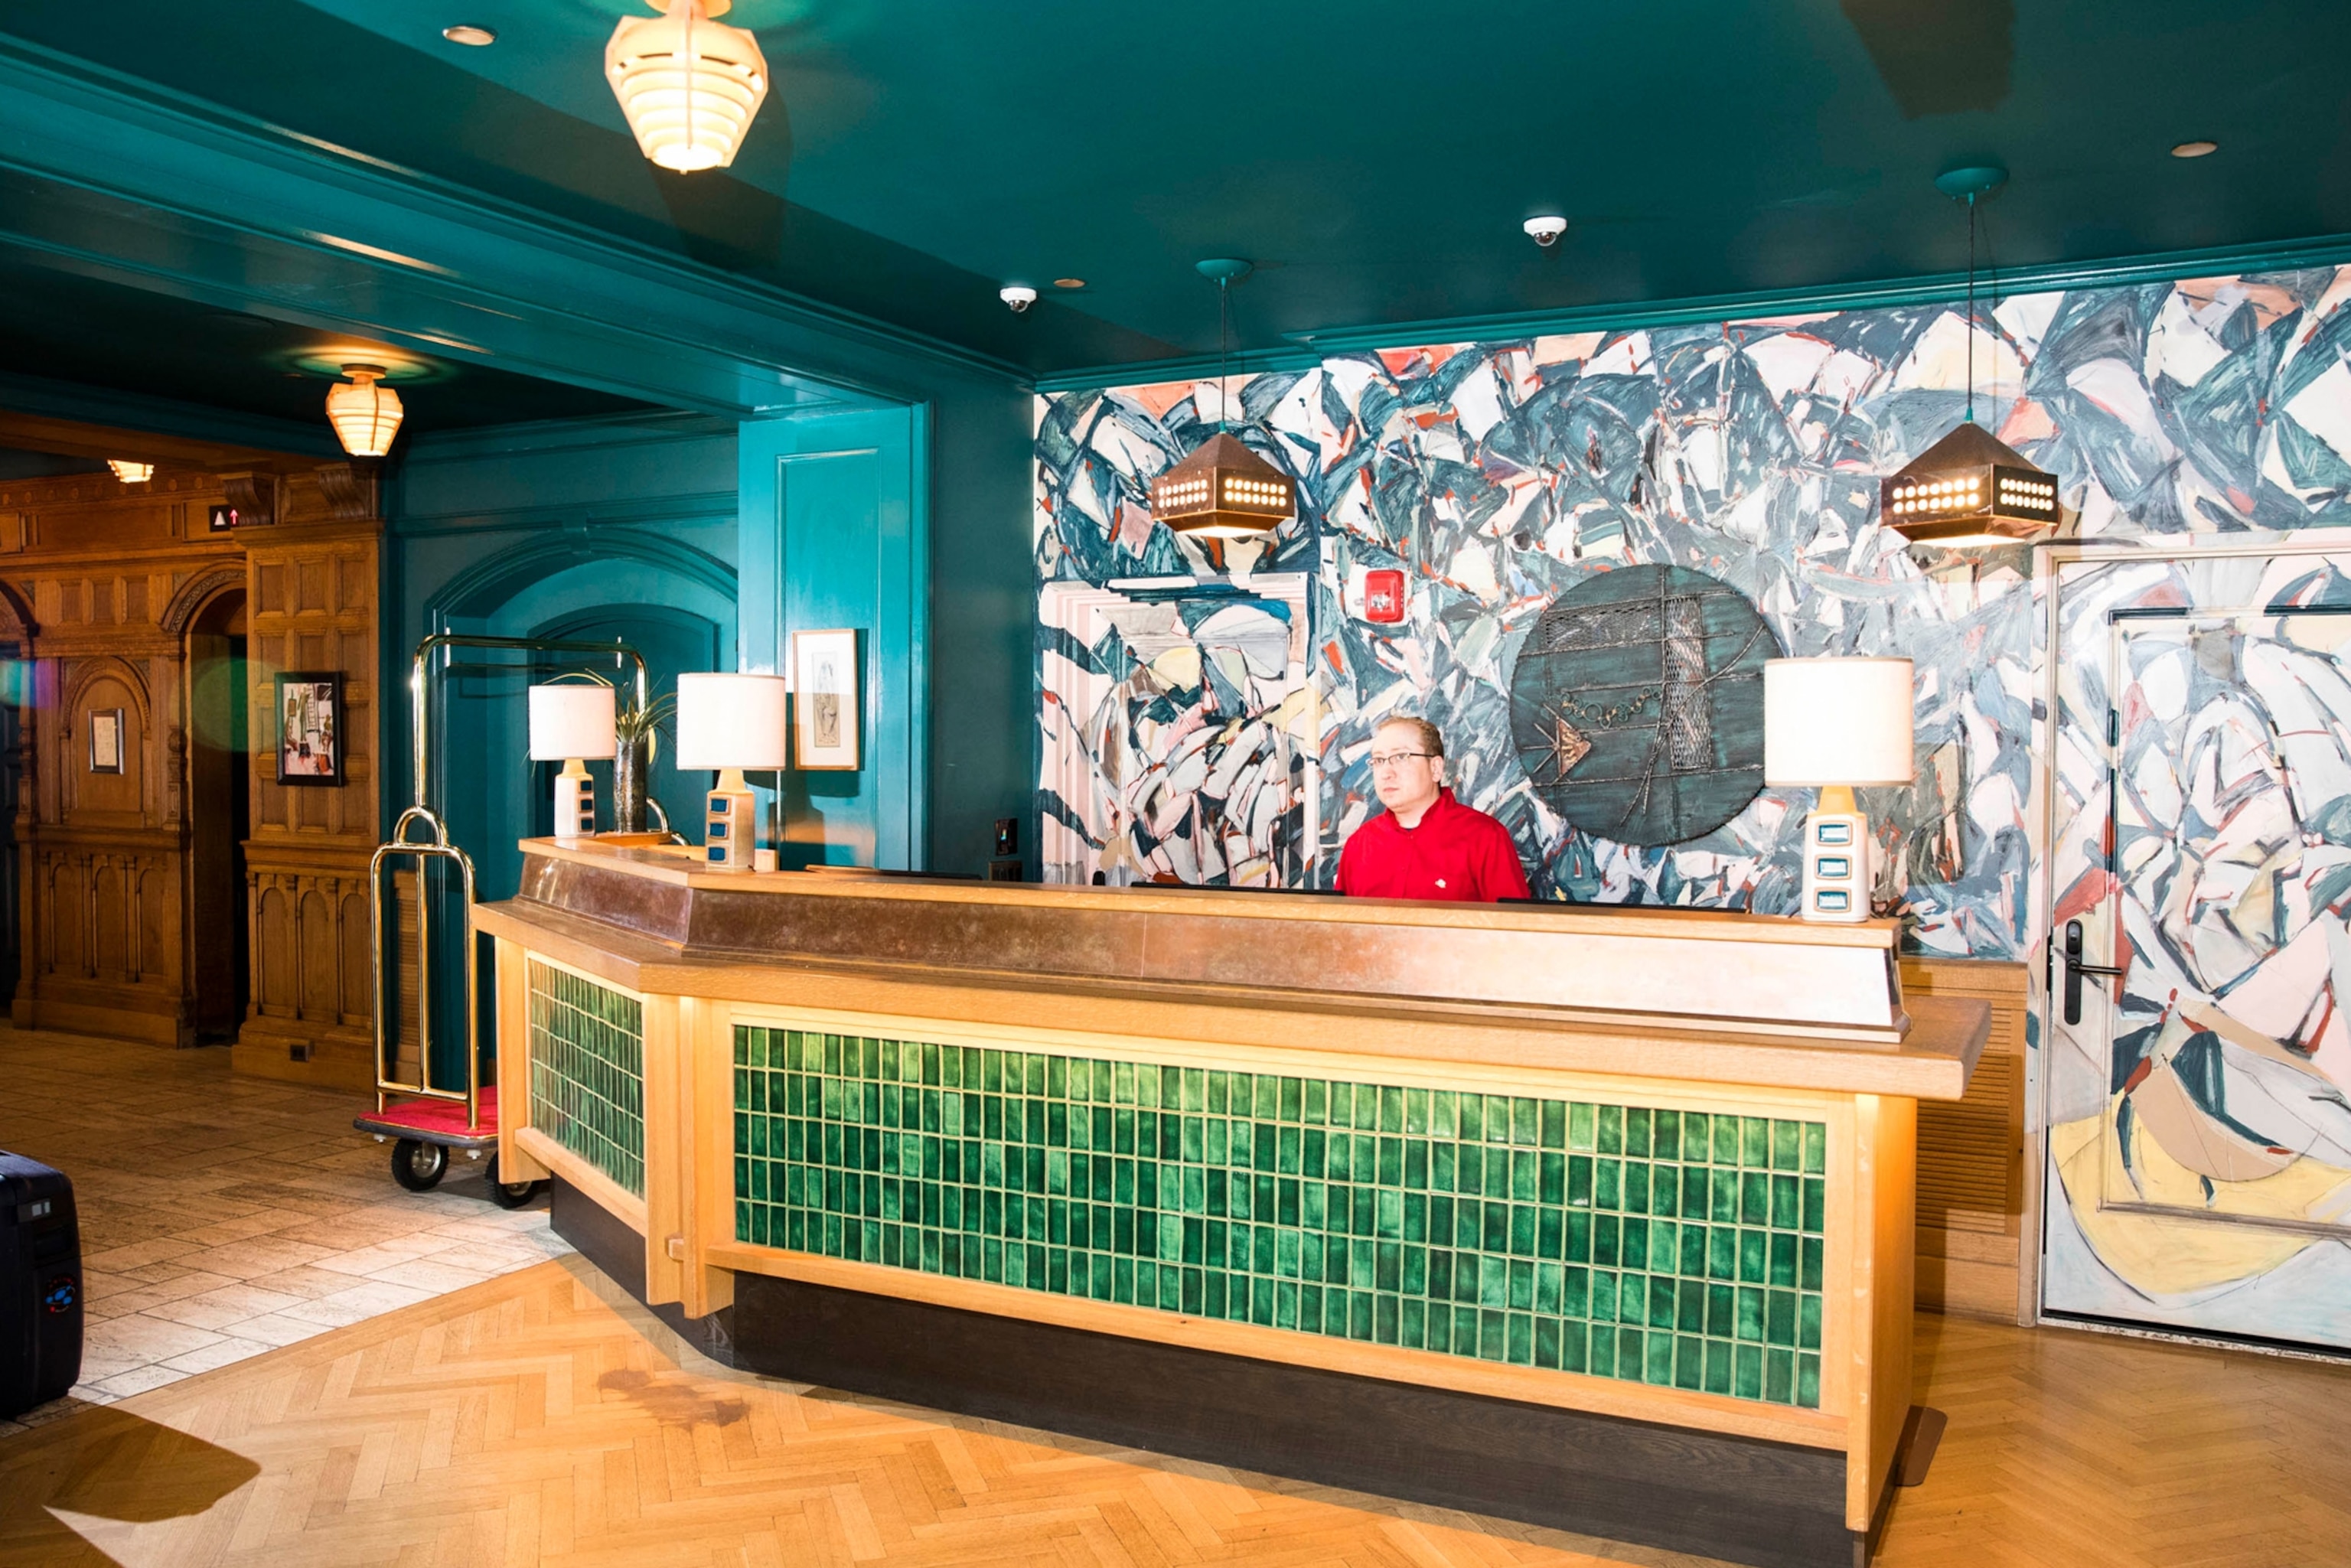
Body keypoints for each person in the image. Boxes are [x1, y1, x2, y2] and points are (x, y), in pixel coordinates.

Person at [1335, 716, 1531, 901]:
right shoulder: (1359, 844)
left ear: (1435, 768)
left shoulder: (1485, 838)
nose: (1386, 772)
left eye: (1401, 757)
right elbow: (1340, 931)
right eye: (1379, 760)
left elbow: (1515, 931)